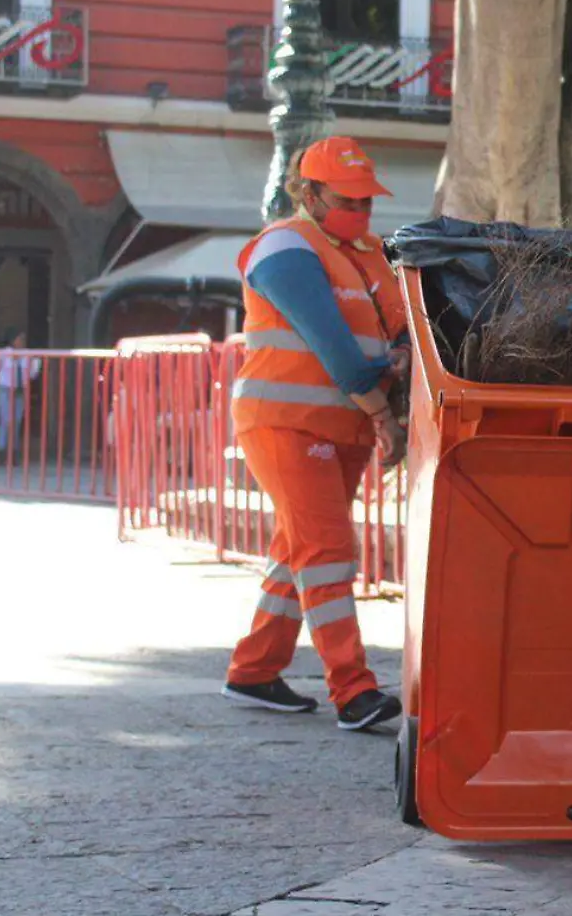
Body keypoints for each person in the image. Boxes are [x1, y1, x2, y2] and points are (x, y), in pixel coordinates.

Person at [222, 136, 411, 733]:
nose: (361, 211)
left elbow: (402, 327)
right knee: (328, 551)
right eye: (347, 200)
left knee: (298, 550)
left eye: (367, 201)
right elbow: (333, 346)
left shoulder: (372, 251)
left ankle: (253, 671)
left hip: (344, 423)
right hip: (286, 422)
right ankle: (352, 692)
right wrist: (385, 415)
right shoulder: (283, 247)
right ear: (308, 193)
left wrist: (402, 358)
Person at [0, 328, 40, 455]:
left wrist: (37, 362)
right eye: (19, 338)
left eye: (23, 339)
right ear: (13, 340)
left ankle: (13, 450)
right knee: (6, 420)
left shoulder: (27, 354)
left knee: (17, 421)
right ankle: (1, 450)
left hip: (20, 390)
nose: (22, 341)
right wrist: (0, 360)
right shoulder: (3, 353)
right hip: (5, 388)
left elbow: (32, 374)